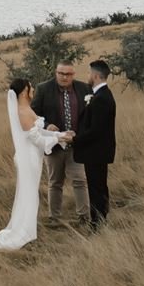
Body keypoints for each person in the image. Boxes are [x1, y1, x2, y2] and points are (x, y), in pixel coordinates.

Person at [0, 77, 66, 252]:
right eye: (30, 87)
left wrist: (58, 134)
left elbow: (37, 131)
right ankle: (23, 233)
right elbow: (36, 139)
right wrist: (59, 138)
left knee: (31, 194)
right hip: (29, 158)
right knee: (29, 195)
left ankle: (28, 231)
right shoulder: (23, 112)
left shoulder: (26, 109)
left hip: (33, 157)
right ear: (24, 90)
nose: (33, 90)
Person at [32, 61, 90, 225]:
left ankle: (84, 217)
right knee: (55, 181)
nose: (65, 77)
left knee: (80, 180)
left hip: (76, 144)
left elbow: (89, 115)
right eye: (61, 73)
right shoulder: (43, 88)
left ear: (73, 74)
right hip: (53, 144)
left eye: (68, 74)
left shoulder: (84, 89)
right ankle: (54, 218)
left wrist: (80, 134)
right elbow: (33, 114)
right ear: (56, 73)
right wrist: (47, 125)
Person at [67, 58, 116, 230]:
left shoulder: (102, 98)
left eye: (89, 73)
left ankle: (97, 223)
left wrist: (74, 139)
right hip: (97, 151)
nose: (87, 76)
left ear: (95, 76)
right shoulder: (100, 95)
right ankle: (100, 219)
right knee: (98, 186)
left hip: (97, 151)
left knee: (97, 188)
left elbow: (96, 130)